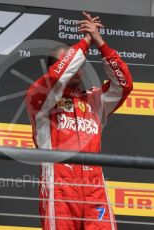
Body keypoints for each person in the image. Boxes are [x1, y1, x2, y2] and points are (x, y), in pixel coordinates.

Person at [25, 12, 133, 230]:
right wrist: (85, 41)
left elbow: (124, 85)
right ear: (53, 68)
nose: (75, 67)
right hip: (59, 184)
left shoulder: (95, 101)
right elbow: (58, 77)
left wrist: (100, 43)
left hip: (95, 186)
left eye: (79, 63)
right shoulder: (40, 97)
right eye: (66, 63)